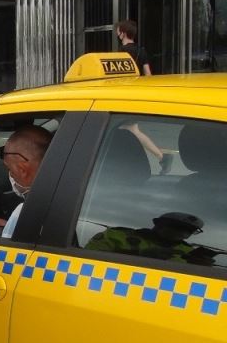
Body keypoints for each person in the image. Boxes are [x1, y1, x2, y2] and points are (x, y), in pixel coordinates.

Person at [115, 19, 174, 174]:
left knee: (123, 129)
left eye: (118, 30)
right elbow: (148, 75)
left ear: (122, 33)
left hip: (124, 96)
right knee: (132, 129)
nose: (117, 33)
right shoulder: (141, 51)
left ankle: (159, 157)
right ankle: (161, 157)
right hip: (135, 95)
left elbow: (117, 78)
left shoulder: (121, 53)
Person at [86, 212, 216, 266]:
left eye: (189, 231)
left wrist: (201, 267)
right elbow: (86, 260)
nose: (182, 233)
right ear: (158, 225)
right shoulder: (117, 235)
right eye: (177, 227)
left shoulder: (188, 252)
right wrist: (140, 255)